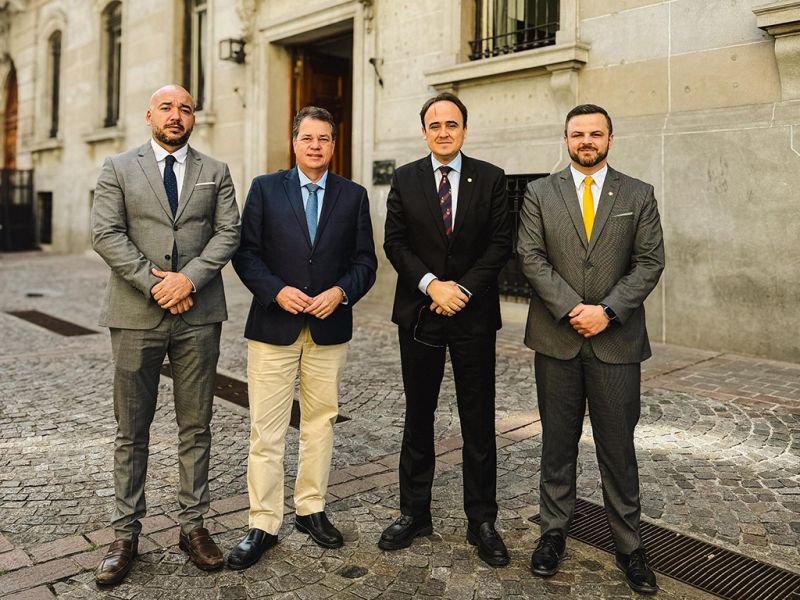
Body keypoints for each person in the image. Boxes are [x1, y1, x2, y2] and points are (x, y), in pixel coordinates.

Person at [91, 85, 240, 585]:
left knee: (196, 427)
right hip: (136, 313)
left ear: (194, 118)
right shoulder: (117, 168)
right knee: (130, 430)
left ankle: (193, 527)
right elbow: (106, 233)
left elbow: (228, 233)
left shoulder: (215, 171)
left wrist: (188, 279)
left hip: (198, 315)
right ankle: (124, 534)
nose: (177, 116)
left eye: (186, 109)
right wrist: (155, 284)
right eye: (168, 108)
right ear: (149, 115)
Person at [517, 104, 664, 594]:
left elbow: (649, 262)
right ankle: (552, 533)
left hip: (616, 340)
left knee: (618, 447)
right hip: (556, 339)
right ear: (565, 139)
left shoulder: (638, 194)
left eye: (595, 134)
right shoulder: (539, 192)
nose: (586, 141)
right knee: (556, 443)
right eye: (577, 134)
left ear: (610, 139)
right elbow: (530, 256)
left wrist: (606, 311)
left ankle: (629, 544)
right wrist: (571, 308)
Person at [227, 106, 377, 570]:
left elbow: (366, 263)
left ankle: (311, 509)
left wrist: (340, 292)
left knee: (319, 424)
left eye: (324, 139)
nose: (316, 146)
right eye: (307, 138)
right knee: (266, 431)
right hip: (274, 327)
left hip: (328, 330)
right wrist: (276, 291)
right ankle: (263, 522)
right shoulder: (265, 189)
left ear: (334, 145)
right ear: (294, 142)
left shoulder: (352, 196)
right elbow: (246, 254)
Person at [381, 93, 512, 567]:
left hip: (473, 316)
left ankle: (482, 519)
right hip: (420, 314)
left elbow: (500, 244)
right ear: (423, 131)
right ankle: (414, 512)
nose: (442, 131)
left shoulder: (491, 179)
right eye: (434, 124)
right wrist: (432, 285)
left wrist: (462, 290)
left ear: (463, 130)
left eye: (451, 124)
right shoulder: (405, 178)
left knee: (478, 419)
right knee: (419, 415)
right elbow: (394, 242)